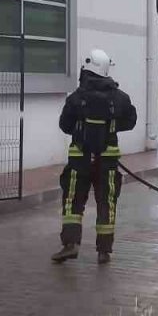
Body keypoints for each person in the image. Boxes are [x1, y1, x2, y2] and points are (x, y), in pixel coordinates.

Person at [51, 49, 137, 265]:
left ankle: (70, 245)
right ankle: (104, 251)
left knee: (73, 200)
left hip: (79, 159)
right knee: (106, 202)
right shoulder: (120, 98)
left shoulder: (76, 98)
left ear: (87, 68)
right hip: (107, 162)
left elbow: (64, 125)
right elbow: (131, 121)